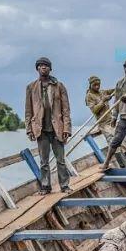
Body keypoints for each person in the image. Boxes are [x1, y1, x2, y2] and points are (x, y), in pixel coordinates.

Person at [24, 57, 72, 195]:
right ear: (37, 69)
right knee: (44, 161)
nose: (43, 67)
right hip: (40, 129)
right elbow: (28, 111)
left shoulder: (59, 86)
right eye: (40, 65)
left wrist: (67, 129)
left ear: (50, 69)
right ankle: (45, 187)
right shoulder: (31, 87)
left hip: (57, 129)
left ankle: (64, 186)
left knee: (60, 160)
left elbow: (66, 110)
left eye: (46, 65)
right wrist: (29, 129)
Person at [85, 76, 126, 167]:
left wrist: (120, 87)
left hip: (111, 121)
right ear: (90, 85)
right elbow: (94, 110)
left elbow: (114, 91)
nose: (97, 87)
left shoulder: (102, 92)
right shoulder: (89, 96)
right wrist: (103, 101)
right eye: (95, 85)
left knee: (123, 141)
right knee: (114, 143)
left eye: (98, 85)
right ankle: (123, 166)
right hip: (103, 124)